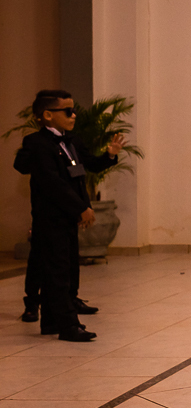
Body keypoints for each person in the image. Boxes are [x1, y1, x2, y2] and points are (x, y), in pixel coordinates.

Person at [14, 90, 122, 341]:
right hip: (50, 217)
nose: (74, 115)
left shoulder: (71, 142)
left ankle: (52, 322)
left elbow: (89, 166)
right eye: (68, 111)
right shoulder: (37, 144)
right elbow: (53, 184)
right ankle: (68, 326)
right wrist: (80, 208)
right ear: (48, 115)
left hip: (67, 218)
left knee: (67, 268)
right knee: (58, 272)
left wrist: (110, 154)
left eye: (73, 110)